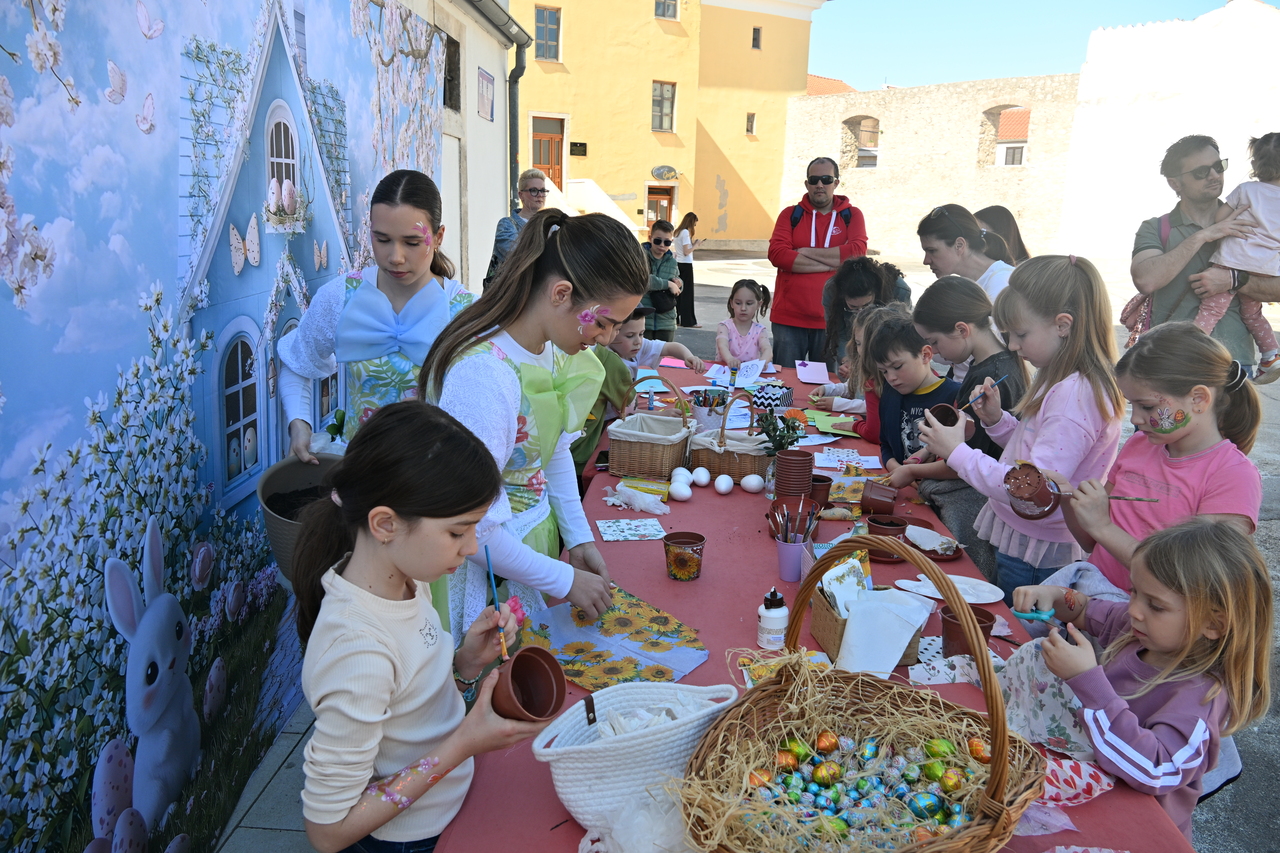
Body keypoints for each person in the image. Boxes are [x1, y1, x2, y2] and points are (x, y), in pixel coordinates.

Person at [295, 401, 548, 853]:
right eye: (457, 532)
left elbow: (412, 702)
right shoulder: (357, 649)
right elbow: (328, 831)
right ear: (385, 524)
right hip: (407, 840)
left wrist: (466, 663)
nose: (471, 547)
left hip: (449, 808)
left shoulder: (408, 581)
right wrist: (465, 743)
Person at [419, 209, 649, 635]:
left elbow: (552, 450)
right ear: (561, 293)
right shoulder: (484, 376)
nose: (606, 338)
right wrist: (563, 579)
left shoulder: (553, 347)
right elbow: (468, 525)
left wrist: (577, 538)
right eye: (603, 323)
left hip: (522, 553)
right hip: (485, 570)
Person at [1013, 519, 1273, 840]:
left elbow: (1154, 768)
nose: (1134, 609)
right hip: (1088, 789)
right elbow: (1084, 610)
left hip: (1134, 828)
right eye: (1134, 591)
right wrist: (1054, 595)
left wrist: (1087, 681)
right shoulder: (1138, 630)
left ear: (1213, 624)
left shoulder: (1201, 695)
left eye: (1155, 605)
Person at [919, 256, 1123, 603]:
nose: (1012, 346)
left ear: (1063, 325)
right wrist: (997, 421)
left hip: (1036, 550)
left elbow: (1030, 490)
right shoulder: (1061, 378)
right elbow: (1035, 449)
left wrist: (957, 453)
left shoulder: (1075, 396)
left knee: (1018, 626)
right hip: (1028, 536)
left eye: (1021, 334)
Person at [1050, 322, 1261, 593]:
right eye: (1132, 405)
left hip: (1147, 613)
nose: (1135, 419)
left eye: (1147, 406)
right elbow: (1093, 543)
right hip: (1091, 593)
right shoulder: (1139, 445)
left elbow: (1193, 579)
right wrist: (1068, 500)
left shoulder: (1233, 476)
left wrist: (1102, 526)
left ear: (1198, 399)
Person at [280, 169, 473, 463]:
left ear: (438, 237)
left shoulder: (466, 313)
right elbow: (297, 363)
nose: (395, 257)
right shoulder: (341, 297)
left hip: (436, 480)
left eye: (412, 242)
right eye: (382, 240)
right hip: (358, 473)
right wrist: (299, 424)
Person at [904, 277, 1029, 580]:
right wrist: (924, 454)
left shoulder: (992, 375)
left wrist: (912, 472)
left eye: (934, 341)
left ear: (962, 330)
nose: (934, 350)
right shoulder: (988, 363)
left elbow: (966, 460)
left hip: (978, 500)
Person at [1129, 135, 1280, 372]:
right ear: (1175, 183)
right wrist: (1204, 235)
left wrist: (1234, 280)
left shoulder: (1258, 223)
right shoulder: (1156, 228)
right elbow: (1146, 280)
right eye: (1201, 172)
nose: (1214, 175)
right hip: (1171, 364)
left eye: (1218, 166)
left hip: (1234, 366)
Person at [767, 156, 868, 366]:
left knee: (827, 382)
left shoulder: (852, 215)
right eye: (814, 180)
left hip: (833, 320)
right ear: (807, 184)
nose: (820, 185)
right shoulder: (790, 215)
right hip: (788, 319)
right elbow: (777, 254)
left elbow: (857, 252)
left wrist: (804, 251)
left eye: (826, 179)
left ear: (836, 183)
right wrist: (835, 263)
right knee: (785, 381)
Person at [1203, 133, 1280, 381]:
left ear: (1255, 164)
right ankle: (1271, 354)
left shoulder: (1246, 189)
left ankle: (1192, 345)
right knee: (1252, 313)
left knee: (1212, 308)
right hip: (1266, 267)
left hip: (1233, 260)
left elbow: (1219, 219)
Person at [867, 315, 960, 470]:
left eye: (897, 367)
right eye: (884, 371)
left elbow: (959, 460)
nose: (891, 378)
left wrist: (911, 472)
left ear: (925, 355)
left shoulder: (955, 396)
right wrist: (897, 469)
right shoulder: (890, 393)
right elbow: (885, 444)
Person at [812, 304, 907, 442]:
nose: (861, 350)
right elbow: (852, 387)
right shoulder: (863, 365)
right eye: (858, 343)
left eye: (865, 344)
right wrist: (829, 389)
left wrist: (839, 404)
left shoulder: (888, 376)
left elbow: (874, 411)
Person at [821, 255, 911, 369]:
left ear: (876, 294)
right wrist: (847, 360)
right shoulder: (832, 290)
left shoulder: (899, 290)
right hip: (852, 347)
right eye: (853, 307)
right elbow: (838, 333)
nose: (860, 313)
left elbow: (900, 338)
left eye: (866, 305)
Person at [484, 168, 547, 287]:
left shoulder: (551, 226)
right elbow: (518, 256)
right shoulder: (507, 224)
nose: (540, 195)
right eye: (534, 191)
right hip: (508, 293)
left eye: (543, 191)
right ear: (521, 195)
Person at [609, 304, 706, 376]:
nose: (638, 341)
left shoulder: (637, 347)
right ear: (611, 332)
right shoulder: (605, 359)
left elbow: (669, 347)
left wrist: (688, 356)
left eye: (641, 334)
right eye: (630, 336)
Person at [641, 219, 683, 342]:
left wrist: (679, 284)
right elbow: (642, 279)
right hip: (644, 319)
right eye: (658, 241)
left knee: (665, 353)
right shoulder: (640, 257)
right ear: (650, 238)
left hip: (666, 320)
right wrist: (668, 284)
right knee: (643, 352)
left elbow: (677, 280)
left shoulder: (672, 261)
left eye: (667, 242)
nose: (662, 245)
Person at [715, 279, 773, 368]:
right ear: (731, 303)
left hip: (749, 373)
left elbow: (767, 349)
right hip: (724, 371)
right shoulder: (724, 326)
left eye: (749, 303)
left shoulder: (760, 330)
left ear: (758, 304)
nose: (743, 308)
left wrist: (763, 362)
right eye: (738, 303)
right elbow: (722, 345)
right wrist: (730, 359)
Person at [673, 212, 702, 328]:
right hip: (686, 264)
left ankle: (676, 319)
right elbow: (686, 252)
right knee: (687, 294)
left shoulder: (678, 232)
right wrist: (696, 245)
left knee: (678, 293)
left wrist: (692, 244)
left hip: (679, 263)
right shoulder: (685, 232)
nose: (694, 227)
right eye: (694, 224)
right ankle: (688, 321)